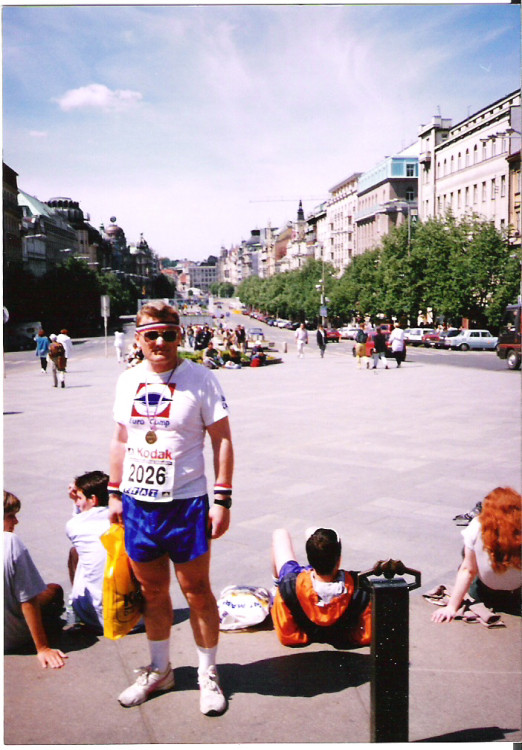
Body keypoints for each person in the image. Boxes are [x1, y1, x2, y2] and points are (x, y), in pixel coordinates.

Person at [108, 300, 233, 715]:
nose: (160, 342)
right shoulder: (128, 381)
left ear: (180, 336)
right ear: (139, 339)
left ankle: (207, 673)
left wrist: (222, 499)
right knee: (153, 592)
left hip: (187, 504)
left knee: (197, 592)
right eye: (151, 335)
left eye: (169, 334)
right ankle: (160, 670)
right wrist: (113, 493)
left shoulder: (201, 379)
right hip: (139, 504)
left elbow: (223, 440)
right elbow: (122, 439)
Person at [270, 527, 372, 648]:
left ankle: (276, 585)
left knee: (280, 534)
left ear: (310, 561)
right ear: (339, 560)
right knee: (312, 531)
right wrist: (342, 637)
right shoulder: (359, 586)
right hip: (338, 625)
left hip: (300, 585)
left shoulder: (287, 587)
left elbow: (288, 636)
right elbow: (366, 635)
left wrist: (308, 636)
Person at [432, 487, 521, 622]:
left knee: (467, 556)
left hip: (484, 594)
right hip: (516, 596)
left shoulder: (477, 525)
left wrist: (451, 607)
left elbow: (468, 570)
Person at [4, 491, 68, 668]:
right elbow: (27, 600)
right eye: (11, 516)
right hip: (12, 638)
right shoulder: (10, 542)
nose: (16, 522)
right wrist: (42, 648)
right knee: (54, 590)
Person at [66, 471, 111, 632]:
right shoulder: (126, 515)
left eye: (79, 498)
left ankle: (73, 610)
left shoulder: (74, 525)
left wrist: (74, 502)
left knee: (75, 552)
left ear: (93, 500)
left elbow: (80, 524)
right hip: (136, 617)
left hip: (98, 619)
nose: (77, 503)